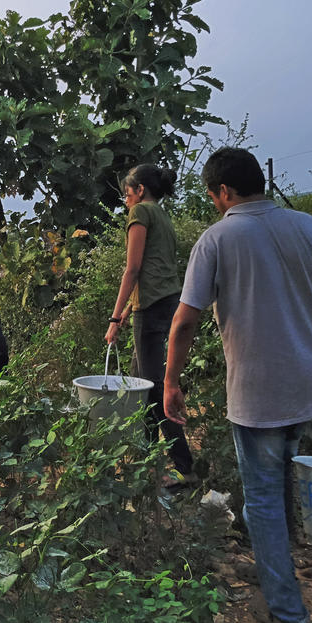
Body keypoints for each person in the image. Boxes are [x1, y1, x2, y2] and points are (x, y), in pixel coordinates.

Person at [162, 147, 312, 623]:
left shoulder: (217, 239)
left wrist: (170, 382)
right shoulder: (309, 227)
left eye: (213, 196)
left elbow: (185, 322)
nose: (214, 203)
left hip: (260, 393)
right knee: (276, 485)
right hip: (311, 384)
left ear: (224, 192)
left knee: (265, 497)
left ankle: (288, 612)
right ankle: (276, 571)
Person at [104, 163, 195, 486]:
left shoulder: (140, 212)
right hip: (166, 301)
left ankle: (184, 467)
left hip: (153, 309)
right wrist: (129, 308)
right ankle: (144, 461)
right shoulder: (162, 214)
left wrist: (114, 319)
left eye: (127, 194)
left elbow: (133, 268)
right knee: (139, 383)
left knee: (153, 388)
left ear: (139, 190)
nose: (126, 201)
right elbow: (155, 267)